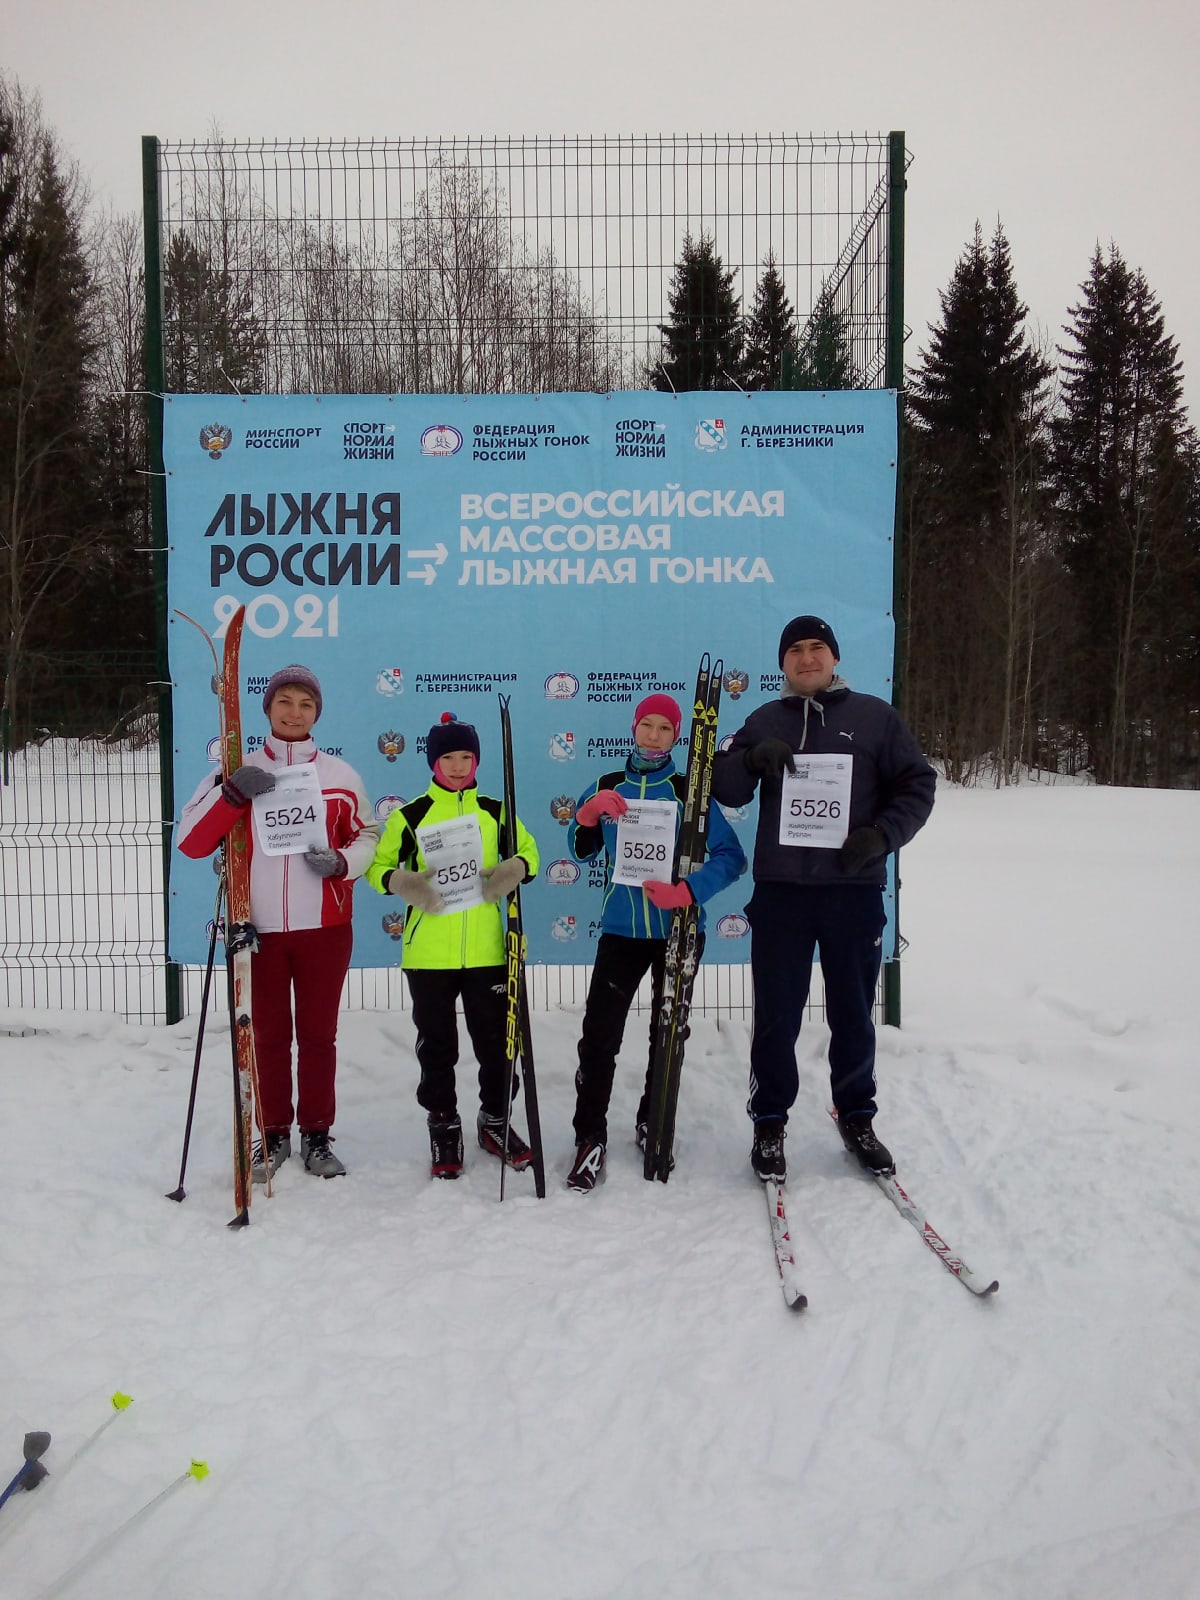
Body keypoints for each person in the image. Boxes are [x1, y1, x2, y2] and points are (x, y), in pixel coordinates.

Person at [710, 616, 935, 1183]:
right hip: (782, 893)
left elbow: (917, 784)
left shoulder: (874, 717)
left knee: (854, 1013)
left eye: (817, 648)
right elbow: (725, 786)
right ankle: (769, 1121)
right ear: (782, 662)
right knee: (777, 1015)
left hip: (852, 892)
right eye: (795, 650)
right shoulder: (765, 718)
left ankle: (857, 1116)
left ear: (834, 658)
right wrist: (749, 759)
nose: (806, 658)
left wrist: (881, 835)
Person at [177, 665, 380, 1181]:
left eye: (306, 704)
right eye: (285, 701)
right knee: (266, 1036)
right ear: (267, 708)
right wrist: (231, 795)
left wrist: (342, 863)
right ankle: (271, 1133)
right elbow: (192, 842)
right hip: (258, 929)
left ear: (317, 714)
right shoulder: (236, 769)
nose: (295, 712)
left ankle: (316, 1133)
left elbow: (367, 837)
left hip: (324, 928)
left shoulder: (340, 776)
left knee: (318, 1036)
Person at [565, 693, 747, 1192]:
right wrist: (586, 817)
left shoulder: (689, 790)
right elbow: (580, 852)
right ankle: (589, 1136)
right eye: (647, 725)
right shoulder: (607, 785)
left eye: (665, 728)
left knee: (667, 1036)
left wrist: (687, 891)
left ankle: (654, 1120)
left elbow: (731, 857)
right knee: (600, 1036)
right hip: (622, 932)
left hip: (678, 932)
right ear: (633, 727)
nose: (654, 735)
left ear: (676, 736)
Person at [364, 713, 540, 1179]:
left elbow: (530, 853)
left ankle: (495, 1119)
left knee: (497, 1045)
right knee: (437, 1046)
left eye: (466, 757)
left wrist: (515, 868)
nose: (458, 766)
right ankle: (443, 1122)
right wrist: (400, 881)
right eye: (448, 758)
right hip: (429, 955)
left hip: (487, 952)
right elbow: (376, 867)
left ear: (476, 760)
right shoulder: (411, 815)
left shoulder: (495, 811)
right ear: (433, 762)